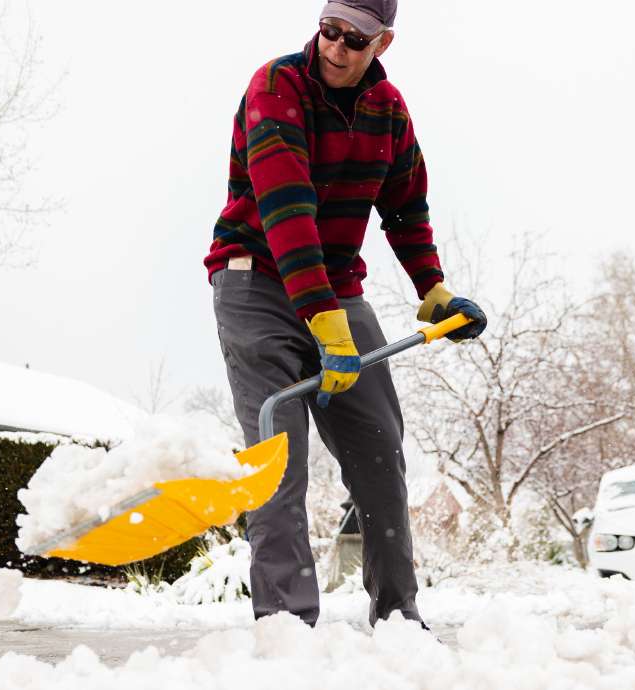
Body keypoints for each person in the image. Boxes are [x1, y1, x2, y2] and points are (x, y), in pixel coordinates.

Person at [203, 0, 487, 627]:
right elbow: (287, 209)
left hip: (335, 290)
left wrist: (433, 289)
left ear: (382, 44)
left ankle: (398, 617)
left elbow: (406, 208)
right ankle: (287, 628)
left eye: (354, 39)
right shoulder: (276, 87)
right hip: (255, 281)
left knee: (380, 453)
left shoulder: (388, 111)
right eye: (328, 30)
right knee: (278, 466)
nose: (335, 47)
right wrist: (324, 323)